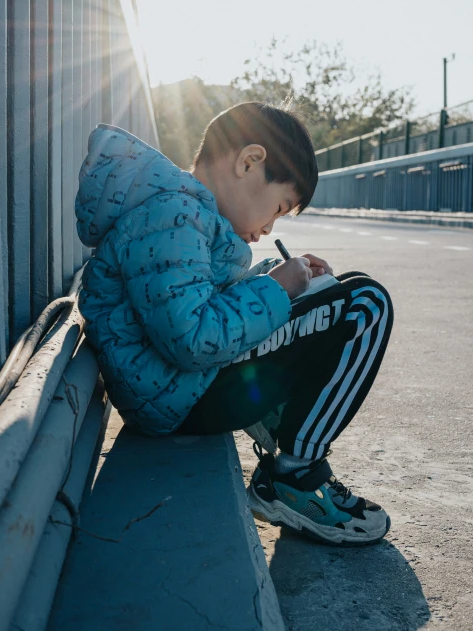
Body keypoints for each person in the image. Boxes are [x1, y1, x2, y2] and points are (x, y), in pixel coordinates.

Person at [76, 102, 394, 547]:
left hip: (177, 389)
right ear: (250, 161)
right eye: (278, 208)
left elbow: (200, 296)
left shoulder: (180, 212)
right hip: (179, 393)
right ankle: (295, 477)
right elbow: (191, 339)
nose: (268, 227)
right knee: (365, 304)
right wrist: (278, 290)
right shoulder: (173, 215)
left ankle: (290, 449)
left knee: (342, 291)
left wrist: (278, 277)